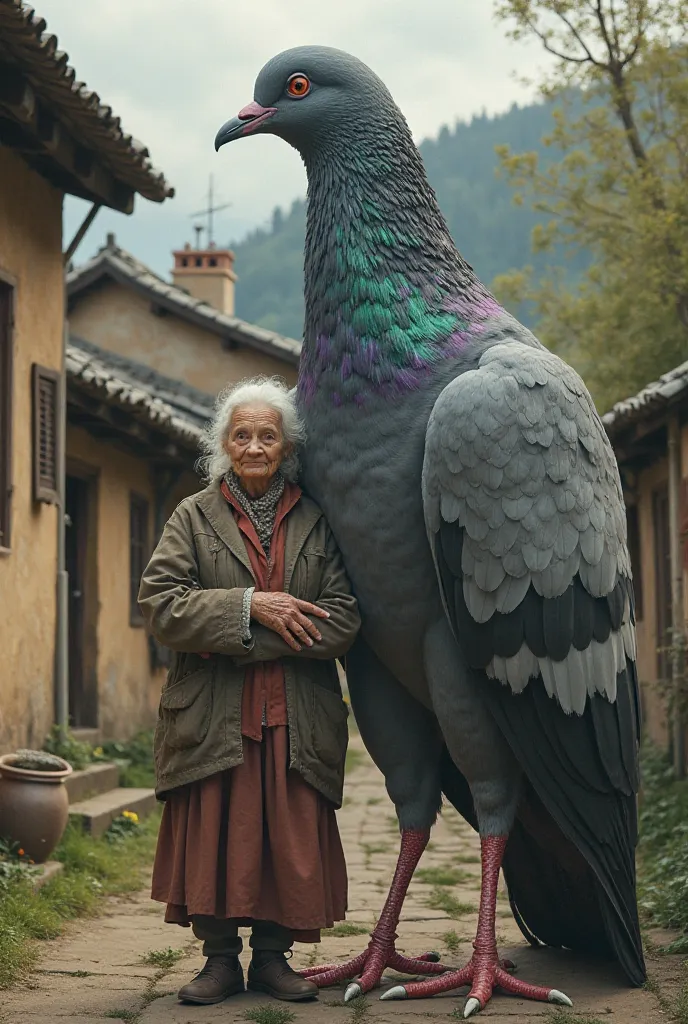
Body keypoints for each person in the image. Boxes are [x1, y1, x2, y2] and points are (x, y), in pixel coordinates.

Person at [138, 376, 360, 1005]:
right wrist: (251, 609)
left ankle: (271, 961)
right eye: (243, 434)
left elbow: (341, 619)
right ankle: (217, 963)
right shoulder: (193, 515)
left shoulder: (316, 520)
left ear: (287, 446)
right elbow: (161, 607)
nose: (255, 445)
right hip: (214, 713)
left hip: (295, 714)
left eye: (268, 435)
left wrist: (243, 634)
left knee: (285, 838)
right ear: (224, 444)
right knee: (216, 832)